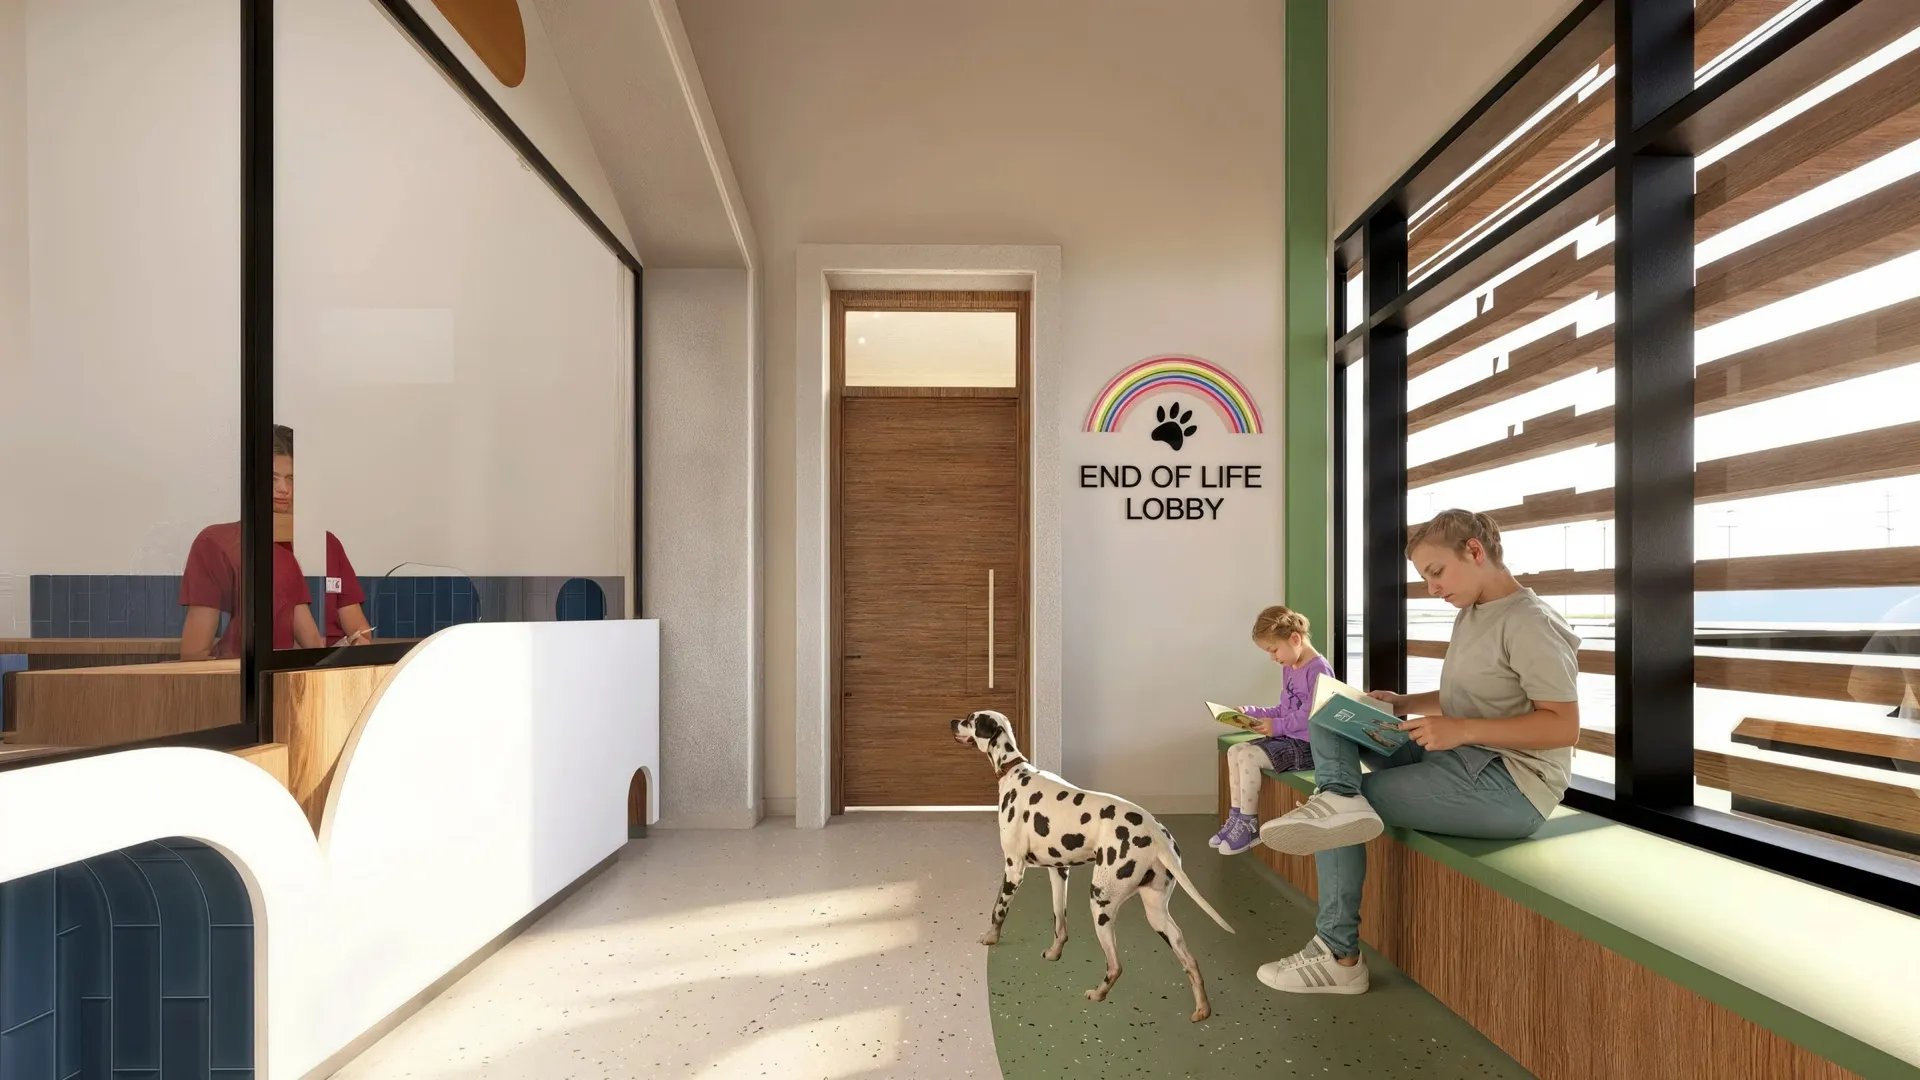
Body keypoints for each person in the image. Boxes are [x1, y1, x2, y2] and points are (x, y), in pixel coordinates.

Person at [1253, 509, 1580, 995]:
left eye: (1436, 572)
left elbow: (1564, 726)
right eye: (1426, 577)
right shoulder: (1472, 614)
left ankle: (1338, 957)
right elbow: (1472, 695)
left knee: (1346, 810)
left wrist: (1461, 730)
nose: (1431, 587)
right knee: (1331, 711)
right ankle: (1337, 799)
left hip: (1509, 785)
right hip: (1455, 757)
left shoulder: (1531, 623)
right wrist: (1404, 703)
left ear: (1475, 550)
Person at [179, 424, 373, 660]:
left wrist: (356, 645)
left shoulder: (326, 544)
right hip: (251, 678)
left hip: (323, 673)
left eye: (291, 478)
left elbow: (355, 631)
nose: (284, 489)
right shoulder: (218, 544)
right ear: (249, 481)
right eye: (272, 479)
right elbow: (194, 654)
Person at [1210, 605, 1333, 855]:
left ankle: (1249, 823)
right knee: (1235, 750)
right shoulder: (1291, 667)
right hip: (1291, 740)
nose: (1273, 658)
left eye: (1274, 650)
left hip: (1310, 746)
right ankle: (1236, 818)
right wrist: (1252, 712)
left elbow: (1311, 715)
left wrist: (1277, 727)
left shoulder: (1319, 669)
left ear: (1295, 639)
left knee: (1248, 755)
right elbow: (1285, 709)